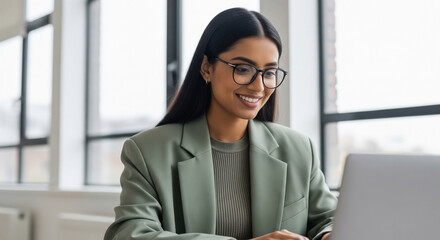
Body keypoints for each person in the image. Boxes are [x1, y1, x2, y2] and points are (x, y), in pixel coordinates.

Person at [104, 7, 337, 240]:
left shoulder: (299, 148)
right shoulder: (148, 151)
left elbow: (329, 217)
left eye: (269, 72)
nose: (258, 87)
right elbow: (130, 234)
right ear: (207, 68)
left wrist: (329, 235)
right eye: (243, 69)